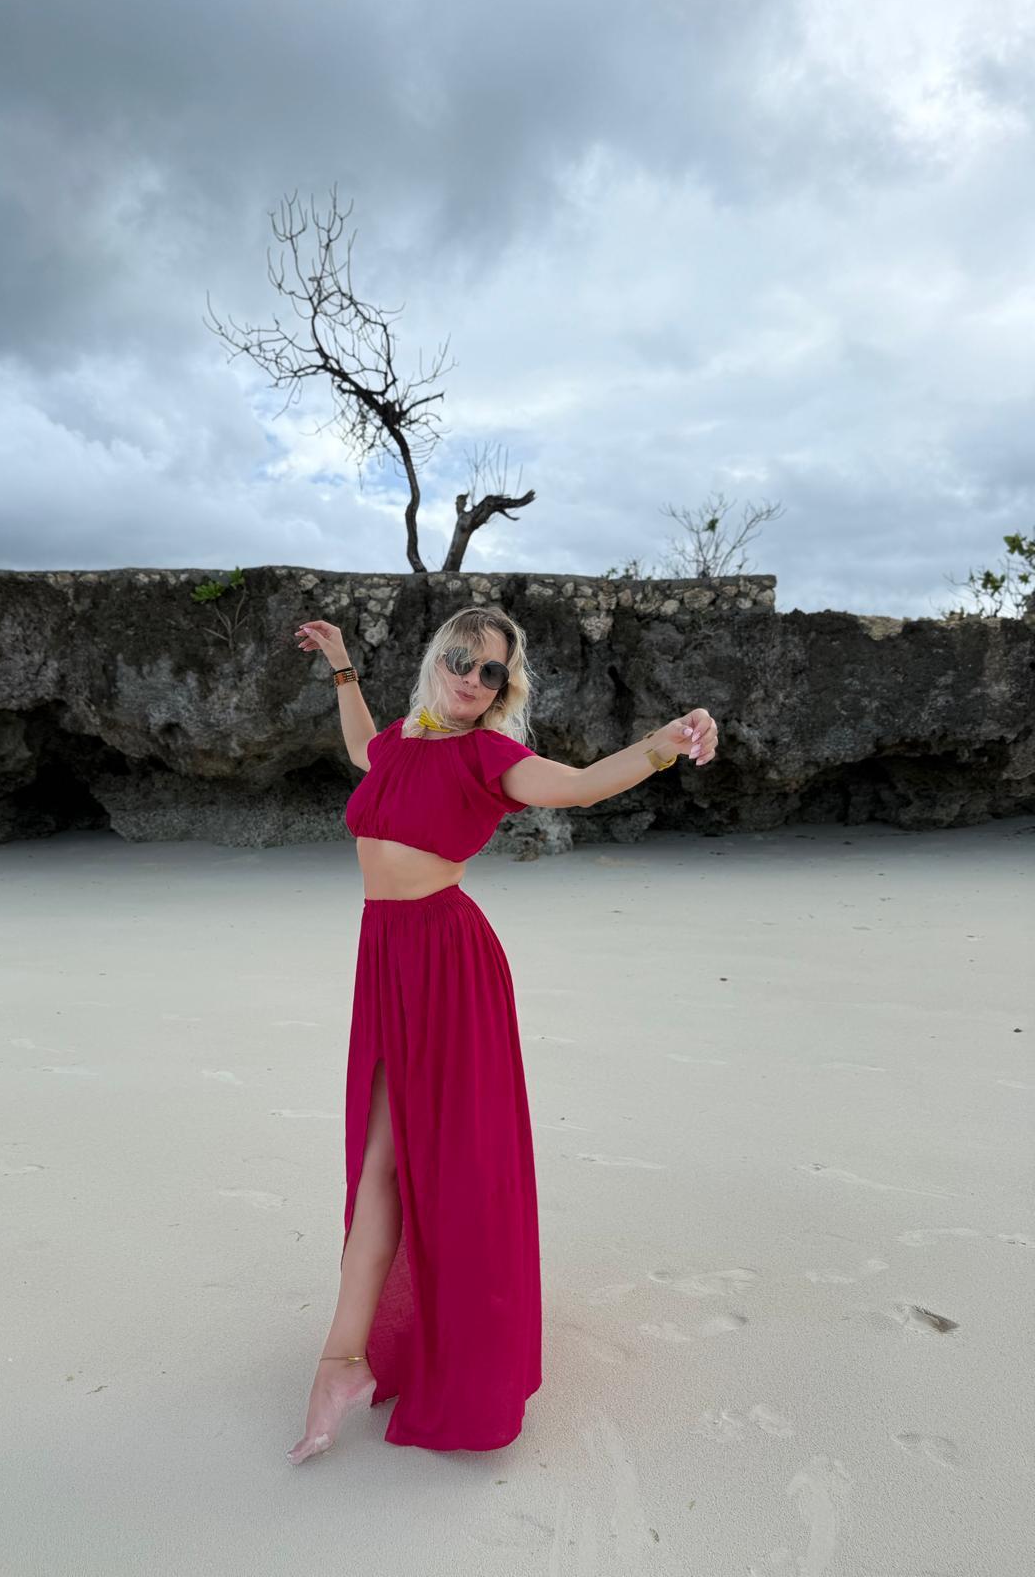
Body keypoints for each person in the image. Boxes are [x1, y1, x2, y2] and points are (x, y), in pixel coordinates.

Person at [285, 605, 718, 1462]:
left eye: (493, 672)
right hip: (386, 960)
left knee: (450, 1166)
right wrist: (341, 665)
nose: (474, 679)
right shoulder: (404, 742)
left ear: (502, 689)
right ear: (436, 659)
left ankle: (409, 1357)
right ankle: (342, 1363)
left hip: (449, 968)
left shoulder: (490, 757)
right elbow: (365, 750)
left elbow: (580, 785)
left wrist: (661, 744)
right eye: (462, 659)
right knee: (378, 1162)